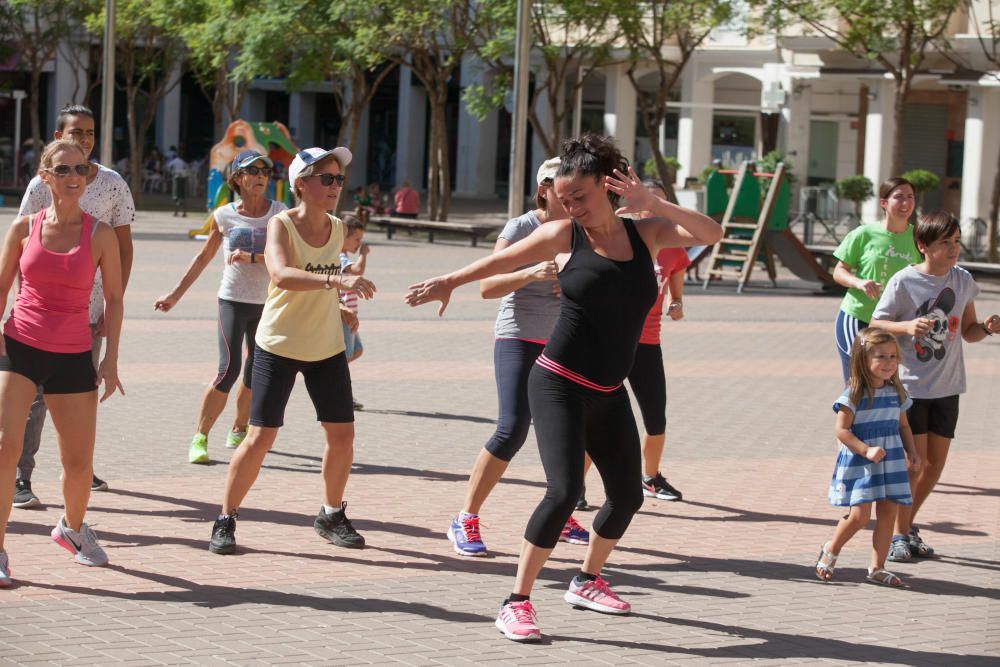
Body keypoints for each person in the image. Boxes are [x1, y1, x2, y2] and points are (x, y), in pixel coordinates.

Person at [406, 134, 722, 642]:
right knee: (565, 491)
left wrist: (653, 201)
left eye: (580, 197)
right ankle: (516, 601)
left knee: (625, 496)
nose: (571, 207)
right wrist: (448, 281)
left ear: (608, 185)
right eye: (564, 198)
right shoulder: (564, 235)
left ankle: (587, 579)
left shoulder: (647, 233)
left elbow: (713, 231)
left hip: (607, 389)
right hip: (556, 382)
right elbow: (495, 265)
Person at [208, 147, 376, 555]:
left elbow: (317, 279)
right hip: (278, 344)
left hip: (325, 347)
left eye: (339, 179)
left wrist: (336, 304)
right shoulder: (280, 224)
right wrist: (337, 283)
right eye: (326, 179)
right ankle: (226, 518)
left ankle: (331, 513)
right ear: (302, 184)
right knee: (261, 436)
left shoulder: (337, 227)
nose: (336, 186)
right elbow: (282, 275)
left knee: (342, 435)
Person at [446, 157, 591, 559]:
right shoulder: (522, 227)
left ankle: (562, 512)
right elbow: (488, 286)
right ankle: (465, 517)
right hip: (518, 336)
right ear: (542, 188)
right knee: (512, 428)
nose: (566, 194)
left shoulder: (584, 229)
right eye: (555, 185)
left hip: (564, 340)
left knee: (583, 431)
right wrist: (531, 274)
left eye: (573, 187)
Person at [0, 139, 126, 586]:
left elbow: (113, 297)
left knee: (78, 463)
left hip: (74, 355)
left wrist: (110, 359)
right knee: (4, 449)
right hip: (20, 348)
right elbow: (1, 289)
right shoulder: (22, 230)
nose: (73, 176)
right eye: (63, 169)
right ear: (46, 176)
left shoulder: (101, 234)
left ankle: (72, 529)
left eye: (81, 168)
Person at [12, 105, 134, 510]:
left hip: (86, 321)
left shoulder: (112, 186)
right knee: (25, 414)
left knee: (77, 428)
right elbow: (21, 259)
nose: (83, 140)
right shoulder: (34, 196)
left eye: (89, 133)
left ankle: (77, 495)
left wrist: (110, 326)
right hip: (29, 327)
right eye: (75, 132)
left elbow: (123, 250)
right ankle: (20, 475)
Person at [869, 212, 1000, 562]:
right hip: (911, 388)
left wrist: (987, 328)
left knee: (935, 465)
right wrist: (908, 326)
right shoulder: (904, 281)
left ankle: (907, 525)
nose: (954, 249)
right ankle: (899, 535)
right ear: (924, 246)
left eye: (956, 242)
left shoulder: (962, 280)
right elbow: (876, 322)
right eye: (946, 243)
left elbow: (969, 332)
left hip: (948, 386)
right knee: (915, 463)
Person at [153, 150, 287, 464]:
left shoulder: (280, 213)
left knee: (257, 371)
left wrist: (253, 258)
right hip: (234, 300)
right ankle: (200, 437)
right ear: (237, 178)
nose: (260, 176)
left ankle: (239, 428)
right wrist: (175, 295)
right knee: (228, 369)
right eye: (252, 171)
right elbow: (203, 257)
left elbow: (288, 258)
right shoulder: (225, 215)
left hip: (269, 303)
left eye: (264, 171)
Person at [815, 328, 920, 587]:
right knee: (860, 516)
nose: (888, 363)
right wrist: (865, 450)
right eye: (881, 357)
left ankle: (877, 567)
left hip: (891, 460)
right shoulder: (853, 394)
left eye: (893, 357)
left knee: (888, 513)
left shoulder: (897, 392)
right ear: (863, 359)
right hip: (862, 461)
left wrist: (912, 451)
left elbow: (904, 426)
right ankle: (831, 549)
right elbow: (841, 430)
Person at [630, 180, 690, 502]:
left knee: (656, 416)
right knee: (596, 417)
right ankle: (578, 488)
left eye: (663, 204)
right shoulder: (621, 239)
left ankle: (650, 478)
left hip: (649, 342)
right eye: (650, 202)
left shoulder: (674, 249)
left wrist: (676, 305)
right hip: (612, 341)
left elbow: (675, 296)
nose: (655, 209)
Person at [832, 178, 921, 383]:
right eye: (898, 197)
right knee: (858, 382)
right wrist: (859, 282)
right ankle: (849, 415)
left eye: (910, 197)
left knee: (888, 384)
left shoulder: (918, 237)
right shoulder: (864, 234)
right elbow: (839, 271)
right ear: (884, 203)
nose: (905, 203)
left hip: (893, 323)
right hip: (858, 317)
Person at [339, 215, 369, 410]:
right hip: (343, 315)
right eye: (356, 239)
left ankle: (337, 386)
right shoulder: (340, 256)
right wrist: (364, 254)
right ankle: (341, 395)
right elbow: (357, 271)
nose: (359, 244)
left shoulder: (344, 256)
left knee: (356, 351)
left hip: (349, 315)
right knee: (343, 358)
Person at [166, 153, 190, 217]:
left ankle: (176, 212)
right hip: (182, 179)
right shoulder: (182, 161)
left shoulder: (173, 161)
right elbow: (187, 167)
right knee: (183, 198)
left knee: (176, 197)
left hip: (176, 179)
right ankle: (184, 212)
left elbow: (168, 166)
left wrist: (171, 172)